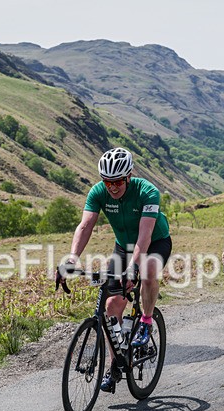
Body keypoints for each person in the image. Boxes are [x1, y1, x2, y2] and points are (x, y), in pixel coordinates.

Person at [56, 147, 172, 393]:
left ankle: (146, 321)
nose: (113, 187)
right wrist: (71, 258)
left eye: (118, 181)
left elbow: (144, 236)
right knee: (111, 306)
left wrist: (133, 269)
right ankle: (115, 365)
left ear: (129, 176)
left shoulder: (147, 192)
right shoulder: (98, 192)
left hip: (155, 242)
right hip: (123, 246)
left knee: (148, 270)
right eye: (108, 182)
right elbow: (85, 226)